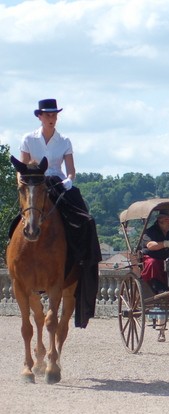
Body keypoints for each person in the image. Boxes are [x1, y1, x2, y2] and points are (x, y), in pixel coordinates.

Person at [18, 98, 102, 328]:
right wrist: (25, 186)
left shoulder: (64, 141)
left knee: (87, 221)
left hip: (57, 184)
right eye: (47, 114)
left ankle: (83, 260)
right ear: (40, 116)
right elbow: (22, 170)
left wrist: (67, 182)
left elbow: (72, 171)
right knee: (16, 222)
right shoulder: (28, 139)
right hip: (34, 184)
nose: (51, 117)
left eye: (54, 114)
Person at [141, 210, 169, 294]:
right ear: (160, 221)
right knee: (152, 263)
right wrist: (165, 243)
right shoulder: (150, 232)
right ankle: (158, 287)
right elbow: (150, 245)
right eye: (167, 220)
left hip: (168, 259)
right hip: (151, 257)